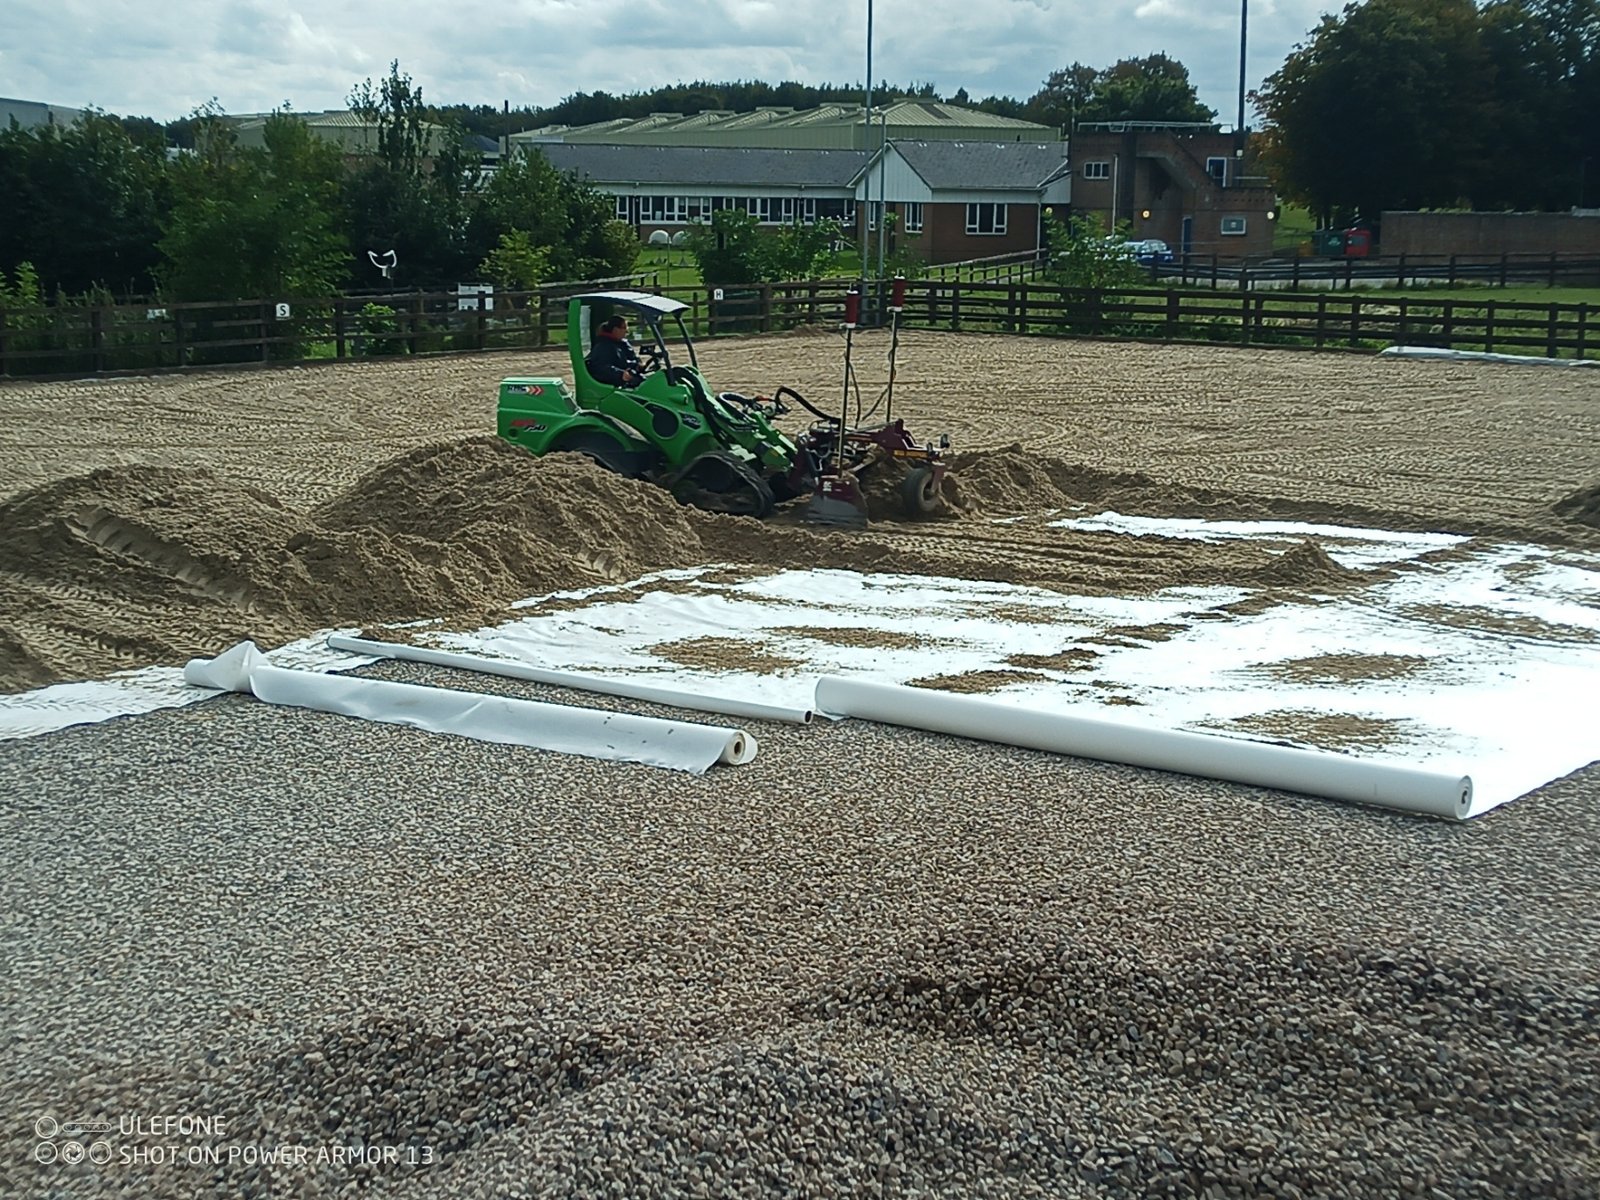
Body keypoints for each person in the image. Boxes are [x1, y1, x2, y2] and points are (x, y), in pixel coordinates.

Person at [586, 315, 645, 387]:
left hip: (629, 377)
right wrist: (620, 374)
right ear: (615, 330)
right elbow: (601, 368)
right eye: (624, 328)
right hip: (617, 383)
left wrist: (638, 365)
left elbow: (631, 358)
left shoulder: (622, 343)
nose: (627, 331)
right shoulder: (603, 346)